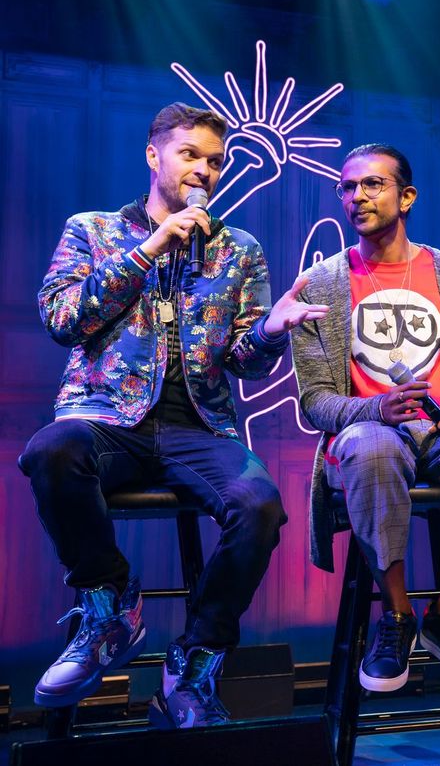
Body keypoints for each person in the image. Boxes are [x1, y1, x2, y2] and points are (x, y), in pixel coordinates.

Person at [19, 102, 326, 728]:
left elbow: (245, 362)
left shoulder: (238, 249)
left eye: (215, 161)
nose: (204, 171)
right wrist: (149, 249)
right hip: (107, 420)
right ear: (153, 155)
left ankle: (196, 660)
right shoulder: (93, 230)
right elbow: (61, 319)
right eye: (190, 155)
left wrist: (270, 331)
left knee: (260, 505)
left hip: (198, 427)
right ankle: (108, 608)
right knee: (51, 450)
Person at [293, 144, 440, 691]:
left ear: (406, 197)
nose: (357, 197)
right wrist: (376, 408)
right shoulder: (321, 284)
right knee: (371, 446)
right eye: (347, 187)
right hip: (372, 434)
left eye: (372, 185)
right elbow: (315, 401)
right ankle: (396, 614)